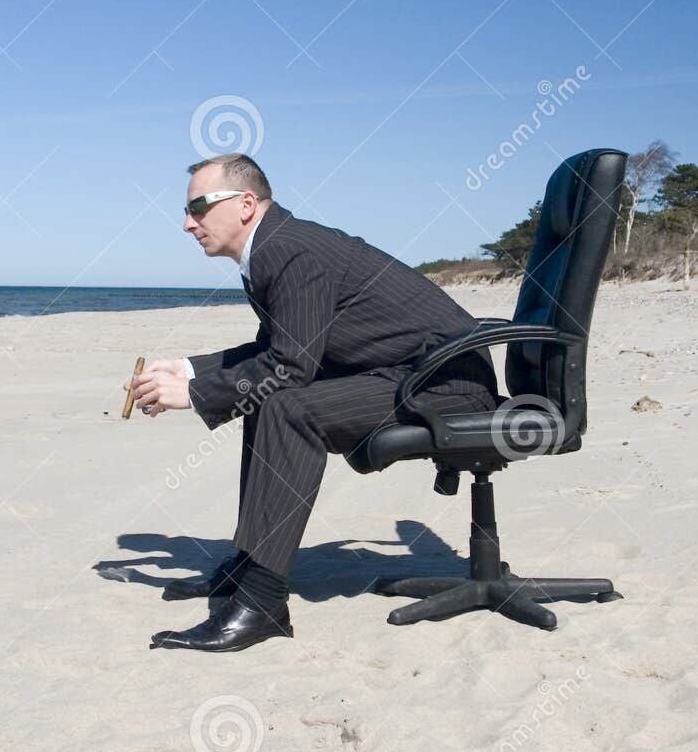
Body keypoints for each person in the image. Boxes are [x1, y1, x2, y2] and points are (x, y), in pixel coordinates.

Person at [124, 153, 499, 653]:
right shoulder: (275, 247)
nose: (187, 222)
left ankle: (262, 604)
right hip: (414, 374)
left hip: (446, 385)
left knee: (285, 404)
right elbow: (276, 348)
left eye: (198, 206)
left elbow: (289, 366)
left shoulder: (291, 251)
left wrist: (193, 396)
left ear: (245, 204)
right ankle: (249, 565)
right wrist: (190, 368)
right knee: (269, 399)